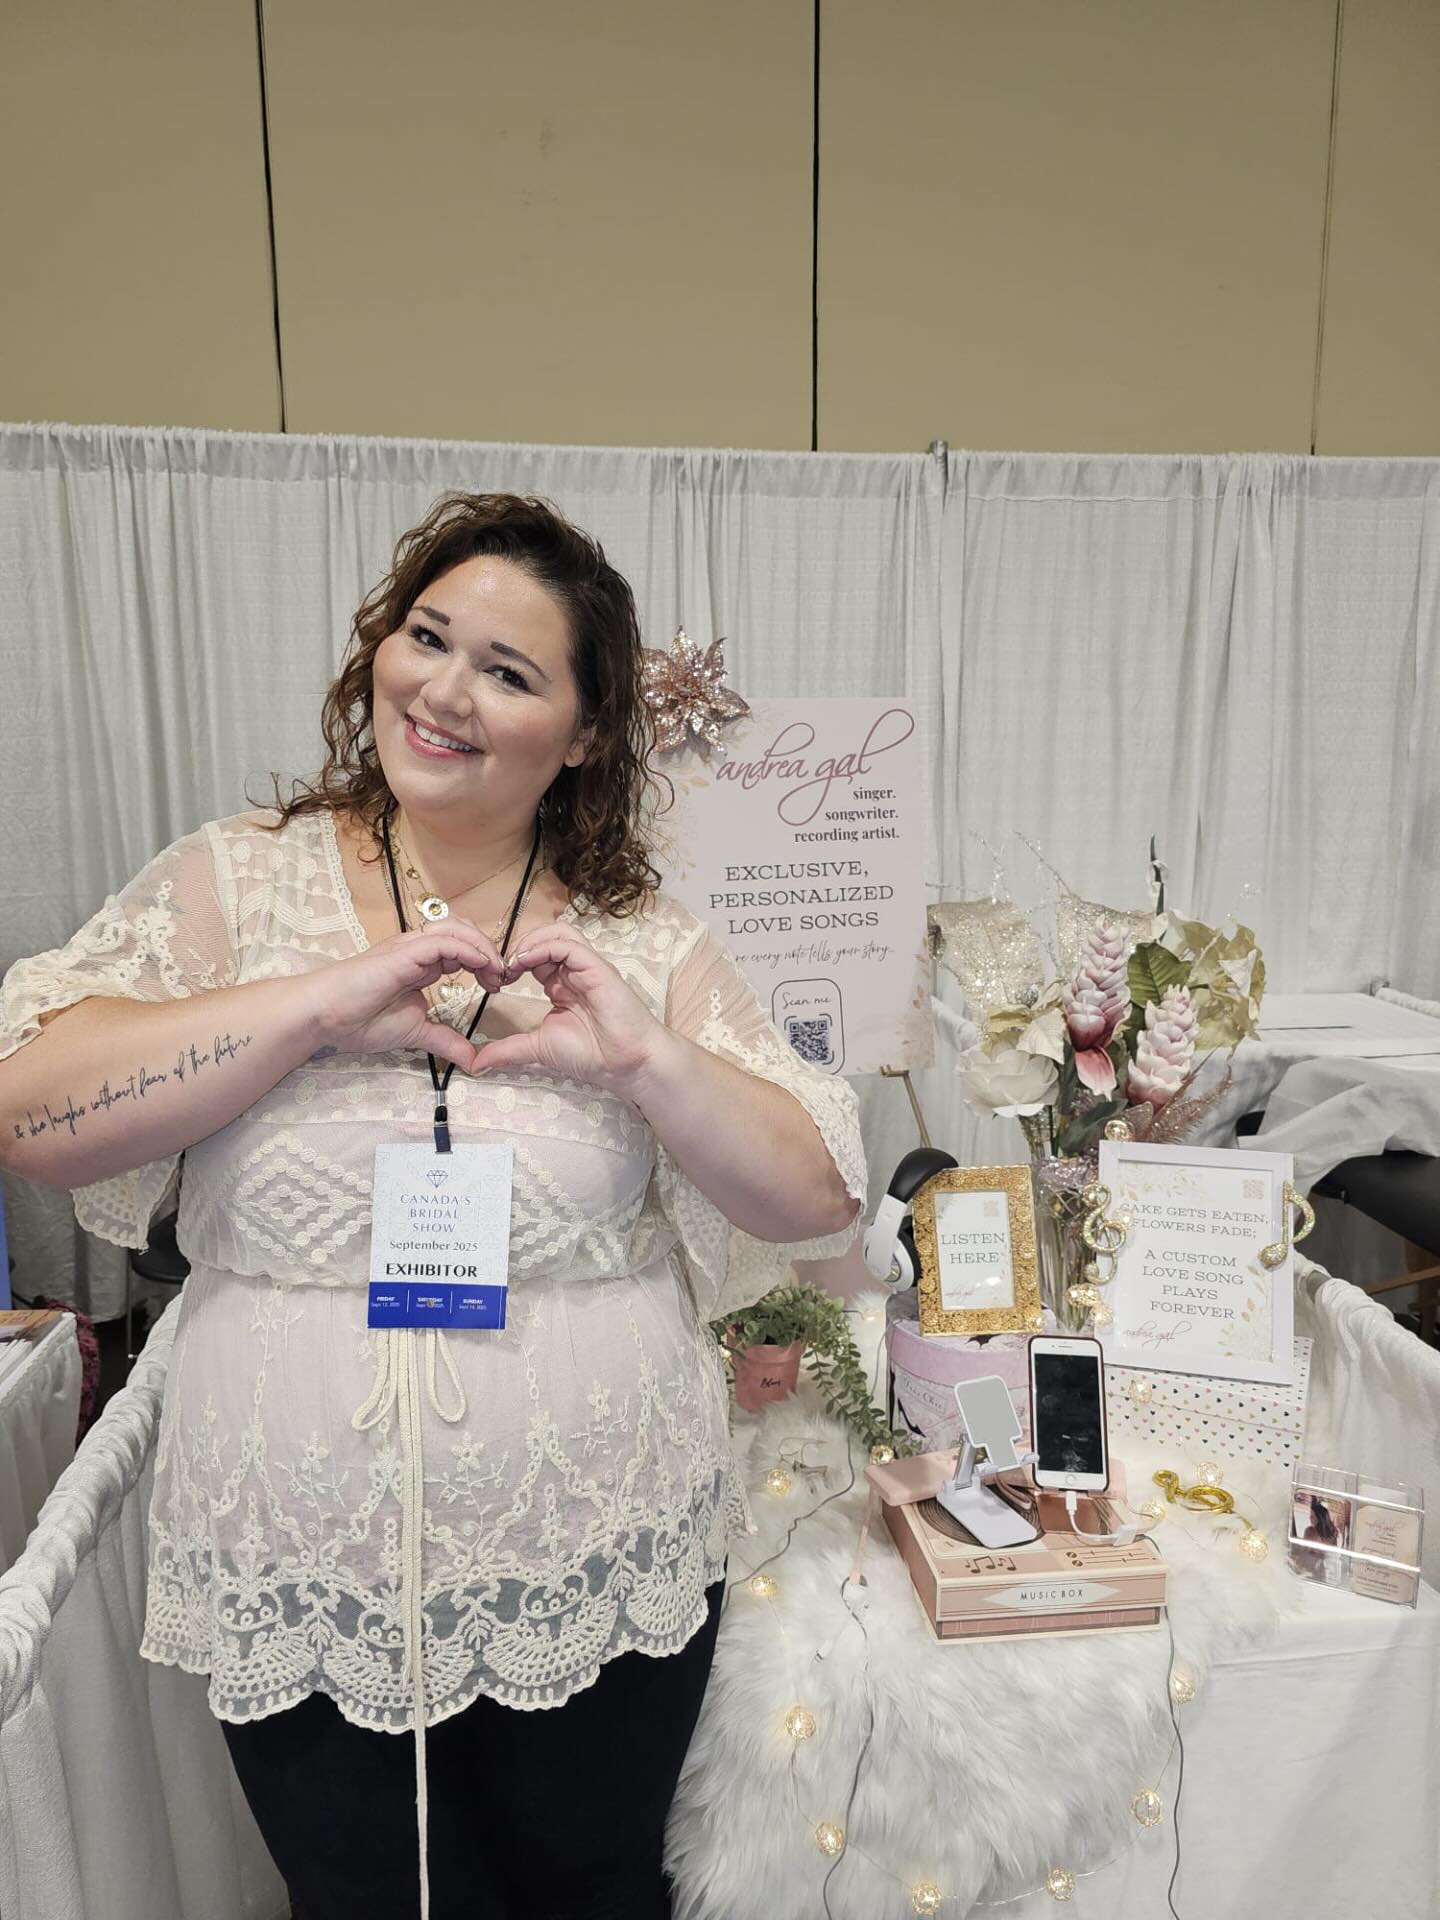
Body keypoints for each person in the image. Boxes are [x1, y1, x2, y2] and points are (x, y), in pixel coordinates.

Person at [0, 492, 865, 1920]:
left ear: (584, 735)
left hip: (599, 1544)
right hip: (298, 1557)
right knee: (356, 1898)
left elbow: (813, 1191)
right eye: (427, 637)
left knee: (591, 1894)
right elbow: (31, 1112)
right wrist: (308, 1010)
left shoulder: (643, 936)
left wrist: (645, 1058)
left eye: (510, 672)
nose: (445, 691)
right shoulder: (239, 879)